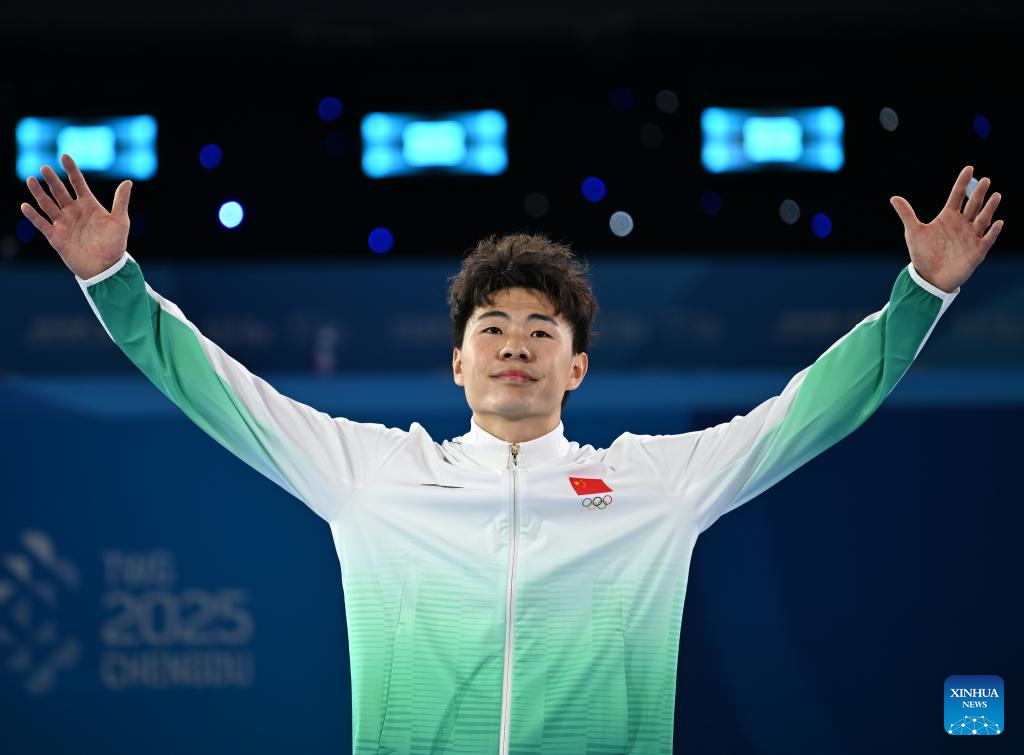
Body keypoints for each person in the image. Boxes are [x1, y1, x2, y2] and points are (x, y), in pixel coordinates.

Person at [20, 154, 1003, 754]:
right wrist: (112, 279)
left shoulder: (653, 484)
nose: (515, 345)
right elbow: (219, 391)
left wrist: (920, 295)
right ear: (457, 362)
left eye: (541, 331)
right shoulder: (374, 474)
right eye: (492, 328)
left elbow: (807, 412)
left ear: (577, 367)